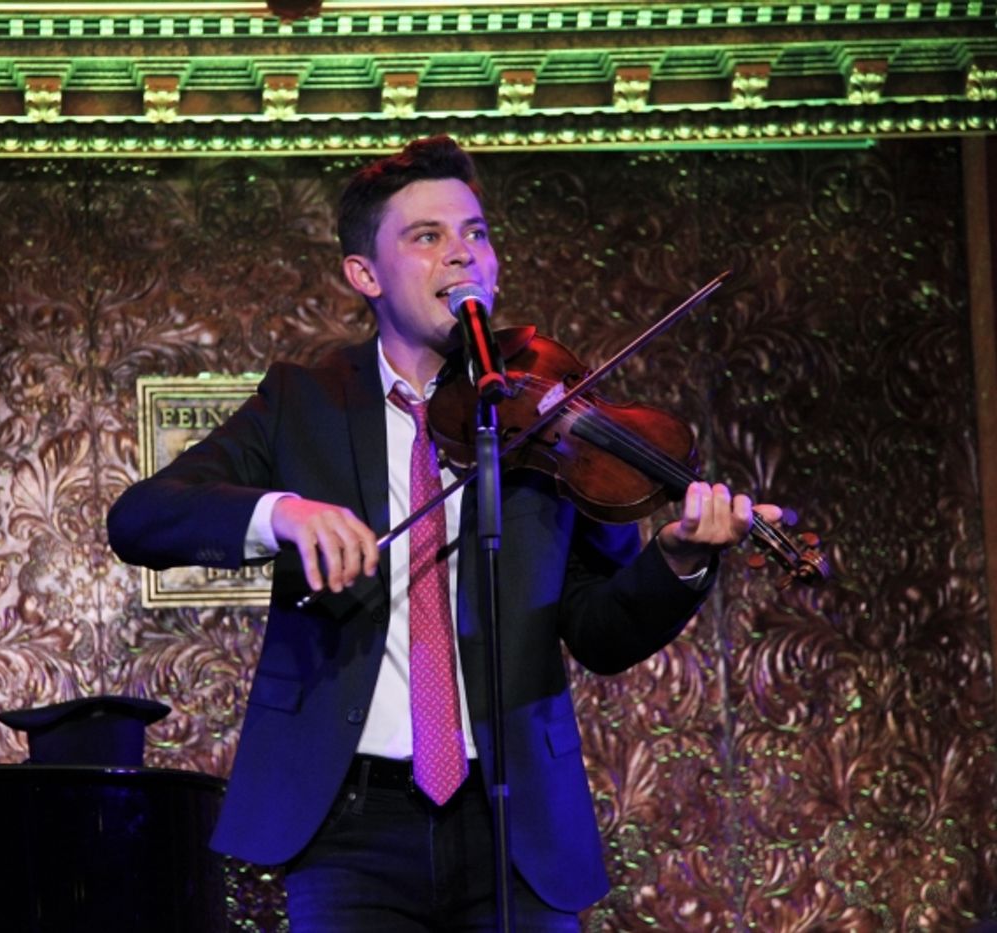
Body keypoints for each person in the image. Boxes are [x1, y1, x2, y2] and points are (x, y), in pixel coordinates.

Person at [107, 135, 777, 931]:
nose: (463, 255)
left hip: (516, 815)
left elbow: (599, 632)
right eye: (427, 237)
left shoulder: (543, 413)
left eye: (476, 233)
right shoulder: (304, 401)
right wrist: (283, 512)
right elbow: (141, 517)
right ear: (365, 274)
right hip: (348, 822)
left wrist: (678, 561)